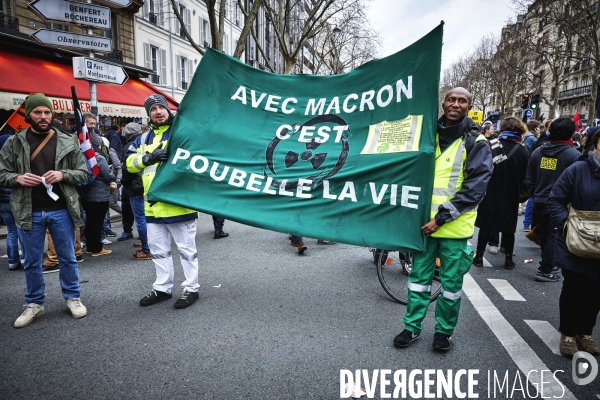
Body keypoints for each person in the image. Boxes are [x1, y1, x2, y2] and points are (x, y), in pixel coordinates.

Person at [394, 87, 493, 351]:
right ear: (444, 103)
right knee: (418, 281)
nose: (455, 104)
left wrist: (441, 218)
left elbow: (475, 189)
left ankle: (443, 332)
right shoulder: (428, 135)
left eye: (462, 101)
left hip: (452, 229)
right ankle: (412, 327)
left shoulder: (477, 142)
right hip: (425, 227)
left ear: (468, 106)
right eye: (451, 99)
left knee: (450, 287)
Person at [0, 93, 89, 328]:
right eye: (37, 112)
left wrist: (63, 174)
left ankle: (73, 297)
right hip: (28, 210)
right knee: (31, 260)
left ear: (52, 114)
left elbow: (83, 173)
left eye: (47, 112)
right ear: (28, 115)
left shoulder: (67, 140)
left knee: (68, 257)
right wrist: (17, 177)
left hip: (61, 209)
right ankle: (34, 303)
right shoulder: (14, 142)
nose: (43, 116)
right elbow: (1, 174)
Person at [126, 94, 200, 309]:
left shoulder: (181, 131)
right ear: (148, 114)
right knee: (158, 251)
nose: (158, 112)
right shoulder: (142, 138)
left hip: (179, 202)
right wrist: (149, 158)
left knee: (187, 251)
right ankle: (162, 288)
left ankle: (191, 288)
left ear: (168, 110)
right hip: (153, 205)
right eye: (153, 109)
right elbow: (129, 163)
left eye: (161, 107)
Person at [547, 129, 600, 357]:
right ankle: (568, 333)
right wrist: (567, 225)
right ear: (596, 144)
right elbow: (555, 200)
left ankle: (585, 332)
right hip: (576, 239)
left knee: (596, 290)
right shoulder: (577, 169)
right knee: (574, 286)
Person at [525, 117, 581, 283]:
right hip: (560, 204)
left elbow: (529, 178)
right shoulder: (574, 156)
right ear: (571, 133)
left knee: (545, 234)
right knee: (554, 235)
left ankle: (548, 264)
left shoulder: (538, 152)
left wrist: (536, 194)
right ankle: (546, 269)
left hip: (539, 201)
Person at [473, 117, 529, 269]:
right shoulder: (523, 150)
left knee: (486, 225)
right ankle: (508, 260)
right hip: (511, 193)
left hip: (490, 191)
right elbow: (526, 175)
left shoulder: (492, 145)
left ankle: (478, 256)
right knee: (509, 227)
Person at [80, 137, 115, 257]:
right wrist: (113, 176)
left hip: (86, 195)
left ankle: (90, 246)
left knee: (90, 221)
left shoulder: (81, 157)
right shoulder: (98, 158)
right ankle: (96, 248)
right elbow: (107, 175)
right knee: (97, 222)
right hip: (99, 193)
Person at [121, 122, 151, 260]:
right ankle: (149, 244)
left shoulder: (130, 146)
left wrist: (124, 182)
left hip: (134, 185)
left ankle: (147, 248)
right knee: (146, 217)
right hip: (145, 183)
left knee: (140, 218)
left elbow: (127, 168)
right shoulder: (146, 142)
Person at [0, 132, 23, 271]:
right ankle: (25, 259)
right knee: (22, 229)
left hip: (2, 202)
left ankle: (12, 261)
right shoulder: (15, 160)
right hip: (15, 198)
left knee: (11, 231)